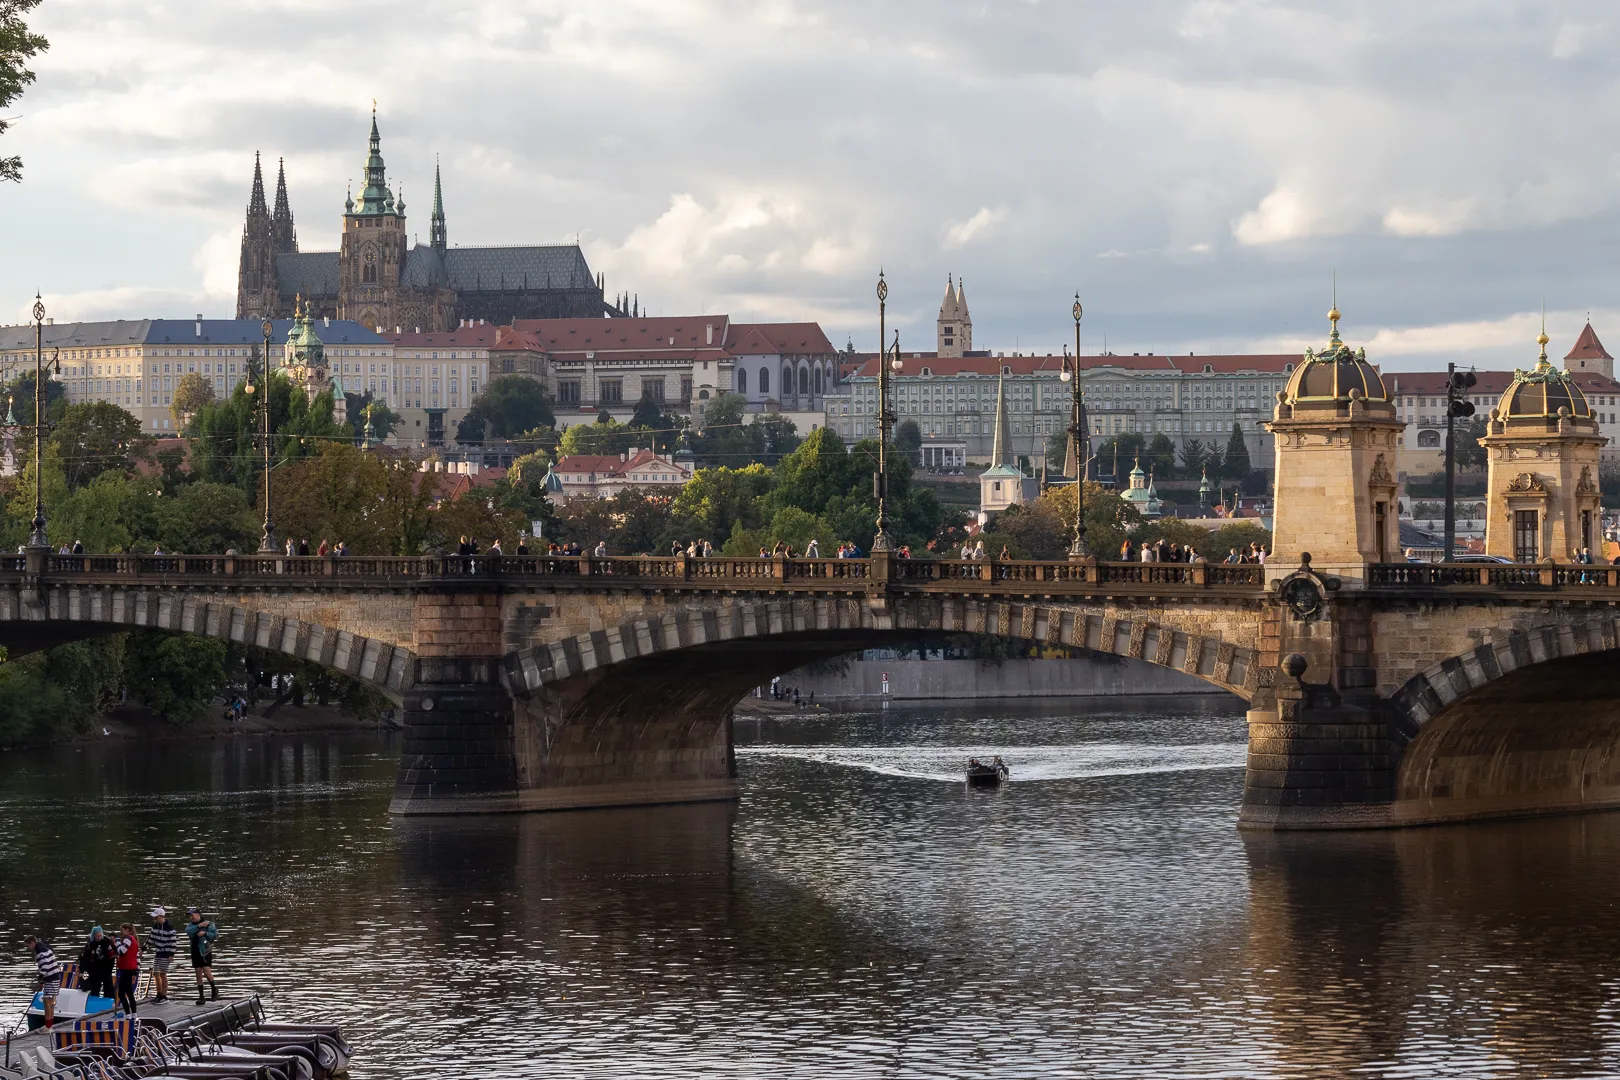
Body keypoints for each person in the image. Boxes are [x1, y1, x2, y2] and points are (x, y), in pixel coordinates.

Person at [26, 935, 62, 1029]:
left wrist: (40, 979)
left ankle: (48, 1026)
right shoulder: (45, 947)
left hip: (50, 978)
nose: (28, 948)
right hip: (54, 977)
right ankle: (49, 1025)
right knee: (50, 1002)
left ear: (32, 943)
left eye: (28, 946)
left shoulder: (40, 951)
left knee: (47, 1003)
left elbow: (45, 967)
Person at [185, 907, 218, 1004]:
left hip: (205, 951)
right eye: (190, 916)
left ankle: (214, 988)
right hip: (195, 951)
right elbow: (188, 931)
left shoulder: (209, 924)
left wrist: (205, 933)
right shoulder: (191, 926)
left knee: (206, 971)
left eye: (192, 915)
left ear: (198, 915)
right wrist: (198, 926)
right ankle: (201, 996)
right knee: (198, 972)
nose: (191, 918)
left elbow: (215, 935)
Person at [149, 907, 177, 1004]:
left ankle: (164, 996)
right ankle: (159, 994)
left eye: (156, 917)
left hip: (166, 953)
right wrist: (143, 949)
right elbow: (151, 938)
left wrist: (171, 954)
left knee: (162, 974)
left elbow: (173, 941)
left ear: (161, 917)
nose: (154, 919)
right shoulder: (155, 926)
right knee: (155, 973)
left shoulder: (169, 927)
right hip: (158, 953)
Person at [79, 925, 115, 1000]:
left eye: (100, 936)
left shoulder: (106, 942)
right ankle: (94, 1001)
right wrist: (83, 970)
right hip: (94, 970)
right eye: (97, 936)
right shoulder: (90, 944)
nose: (99, 937)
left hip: (106, 968)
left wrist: (110, 968)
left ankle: (108, 1001)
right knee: (95, 988)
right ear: (93, 936)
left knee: (108, 988)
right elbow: (84, 958)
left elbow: (112, 956)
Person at [114, 922, 140, 1014]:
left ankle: (128, 1015)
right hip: (131, 968)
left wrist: (117, 941)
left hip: (127, 969)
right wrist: (137, 972)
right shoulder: (134, 940)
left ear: (127, 930)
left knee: (121, 994)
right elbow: (137, 958)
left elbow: (121, 951)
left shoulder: (128, 938)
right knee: (129, 993)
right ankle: (133, 1015)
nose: (122, 932)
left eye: (123, 930)